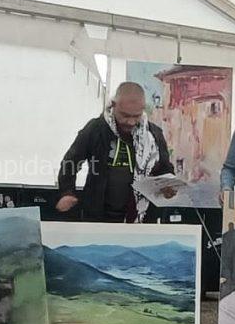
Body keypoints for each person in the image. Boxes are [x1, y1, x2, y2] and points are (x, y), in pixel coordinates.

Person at [56, 82, 174, 222]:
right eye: (125, 115)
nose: (130, 122)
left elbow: (165, 168)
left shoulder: (154, 135)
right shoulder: (96, 129)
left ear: (143, 109)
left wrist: (168, 186)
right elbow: (70, 161)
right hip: (98, 217)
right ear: (113, 105)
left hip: (141, 219)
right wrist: (67, 192)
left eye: (136, 116)